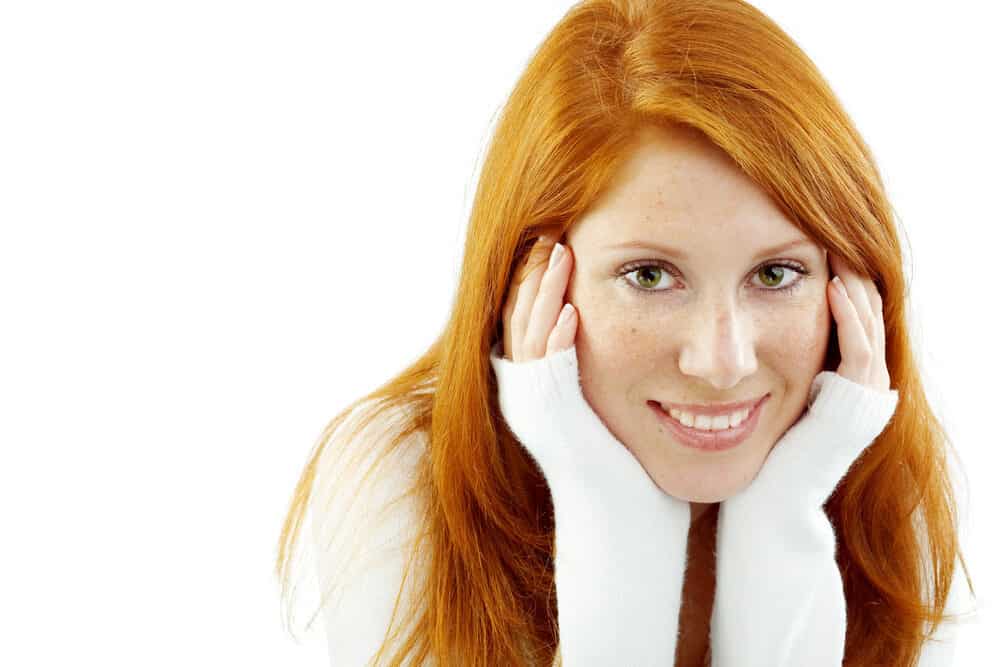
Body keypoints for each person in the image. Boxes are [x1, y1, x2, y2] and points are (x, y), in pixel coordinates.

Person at [275, 1, 976, 664]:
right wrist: (607, 516)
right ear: (531, 280)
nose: (723, 362)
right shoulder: (398, 480)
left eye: (775, 274)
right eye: (649, 274)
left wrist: (781, 521)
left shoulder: (880, 483)